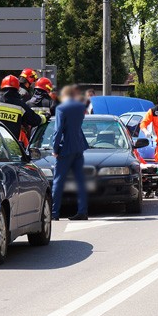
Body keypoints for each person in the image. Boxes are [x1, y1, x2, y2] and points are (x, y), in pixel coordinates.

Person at [51, 85, 89, 221]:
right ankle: (83, 211)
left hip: (65, 148)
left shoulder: (61, 108)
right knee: (80, 181)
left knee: (58, 181)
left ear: (64, 96)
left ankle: (54, 213)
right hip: (79, 147)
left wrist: (55, 149)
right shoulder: (80, 107)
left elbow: (58, 130)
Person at [0, 75, 41, 145]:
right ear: (17, 88)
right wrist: (43, 117)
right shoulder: (20, 105)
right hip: (12, 147)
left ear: (2, 87)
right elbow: (35, 120)